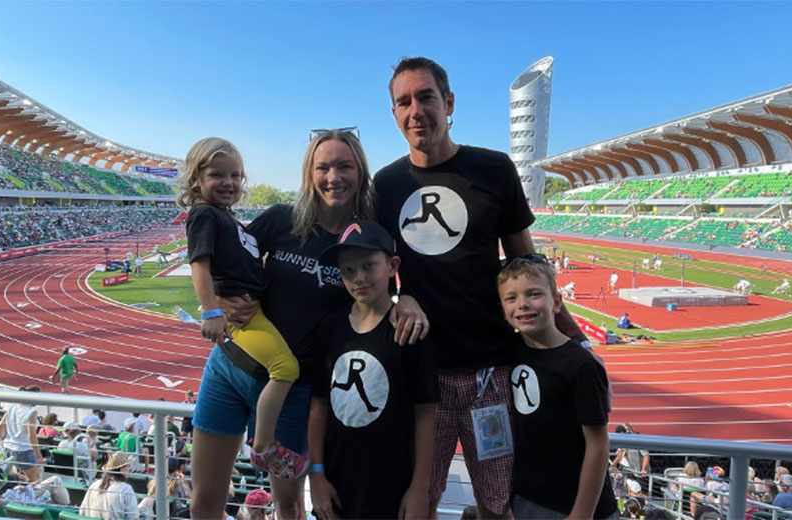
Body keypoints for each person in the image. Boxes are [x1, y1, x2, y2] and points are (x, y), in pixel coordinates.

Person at [374, 56, 587, 519]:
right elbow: (372, 273)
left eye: (426, 97)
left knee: (497, 503)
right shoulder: (385, 185)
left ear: (448, 103)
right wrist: (399, 295)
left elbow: (524, 263)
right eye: (403, 102)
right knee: (418, 501)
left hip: (491, 375)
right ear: (394, 115)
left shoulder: (494, 169)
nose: (416, 111)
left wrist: (563, 327)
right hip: (422, 377)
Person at [201, 130, 423, 520]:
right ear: (309, 173)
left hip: (294, 390)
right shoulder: (280, 219)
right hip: (229, 368)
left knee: (288, 505)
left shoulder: (366, 237)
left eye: (344, 166)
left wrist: (405, 297)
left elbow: (388, 281)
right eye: (323, 167)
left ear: (360, 173)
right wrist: (217, 299)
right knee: (204, 503)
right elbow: (222, 260)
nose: (333, 176)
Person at [178, 137, 306, 480]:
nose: (229, 182)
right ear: (196, 180)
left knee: (282, 364)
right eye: (218, 174)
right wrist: (211, 311)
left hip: (254, 309)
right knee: (286, 366)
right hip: (242, 317)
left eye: (236, 175)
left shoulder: (228, 218)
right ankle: (263, 445)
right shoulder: (205, 214)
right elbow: (200, 265)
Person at [308, 221, 438, 519]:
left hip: (392, 483)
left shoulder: (409, 331)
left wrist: (420, 488)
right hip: (338, 484)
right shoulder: (330, 328)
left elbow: (425, 413)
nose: (359, 278)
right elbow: (319, 404)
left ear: (393, 266)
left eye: (369, 265)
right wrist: (317, 475)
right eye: (348, 270)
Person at [497, 257, 616, 519]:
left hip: (576, 506)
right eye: (511, 298)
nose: (523, 304)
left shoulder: (580, 365)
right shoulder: (511, 351)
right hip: (528, 498)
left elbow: (597, 444)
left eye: (534, 294)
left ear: (557, 302)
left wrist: (582, 513)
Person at [0, 385, 44, 482]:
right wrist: (39, 455)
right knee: (34, 482)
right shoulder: (32, 412)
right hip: (24, 450)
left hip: (8, 448)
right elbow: (31, 436)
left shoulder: (12, 408)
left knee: (14, 480)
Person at [79, 451, 139, 520]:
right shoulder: (126, 489)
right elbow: (134, 518)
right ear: (122, 468)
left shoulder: (94, 485)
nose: (130, 469)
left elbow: (82, 512)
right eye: (128, 465)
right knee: (148, 501)